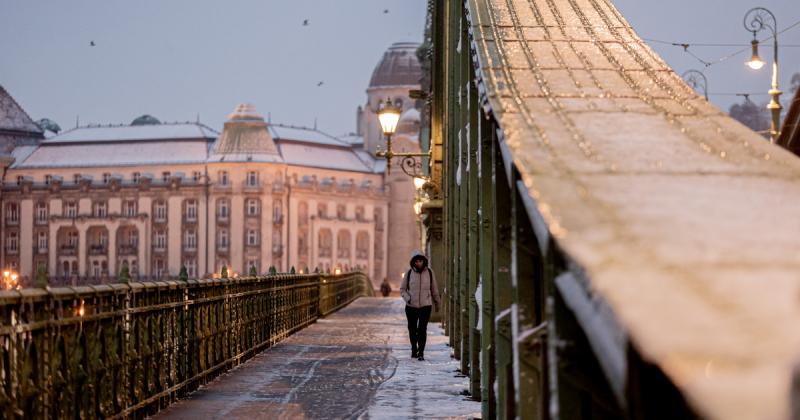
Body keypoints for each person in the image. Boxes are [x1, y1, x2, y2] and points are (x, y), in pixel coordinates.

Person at [399, 250, 440, 361]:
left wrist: (437, 303)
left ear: (424, 261)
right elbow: (402, 289)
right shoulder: (409, 273)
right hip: (411, 306)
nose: (419, 263)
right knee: (412, 329)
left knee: (422, 329)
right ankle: (414, 349)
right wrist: (409, 298)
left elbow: (434, 289)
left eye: (420, 261)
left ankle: (421, 352)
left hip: (425, 306)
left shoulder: (430, 273)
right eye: (416, 261)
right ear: (413, 262)